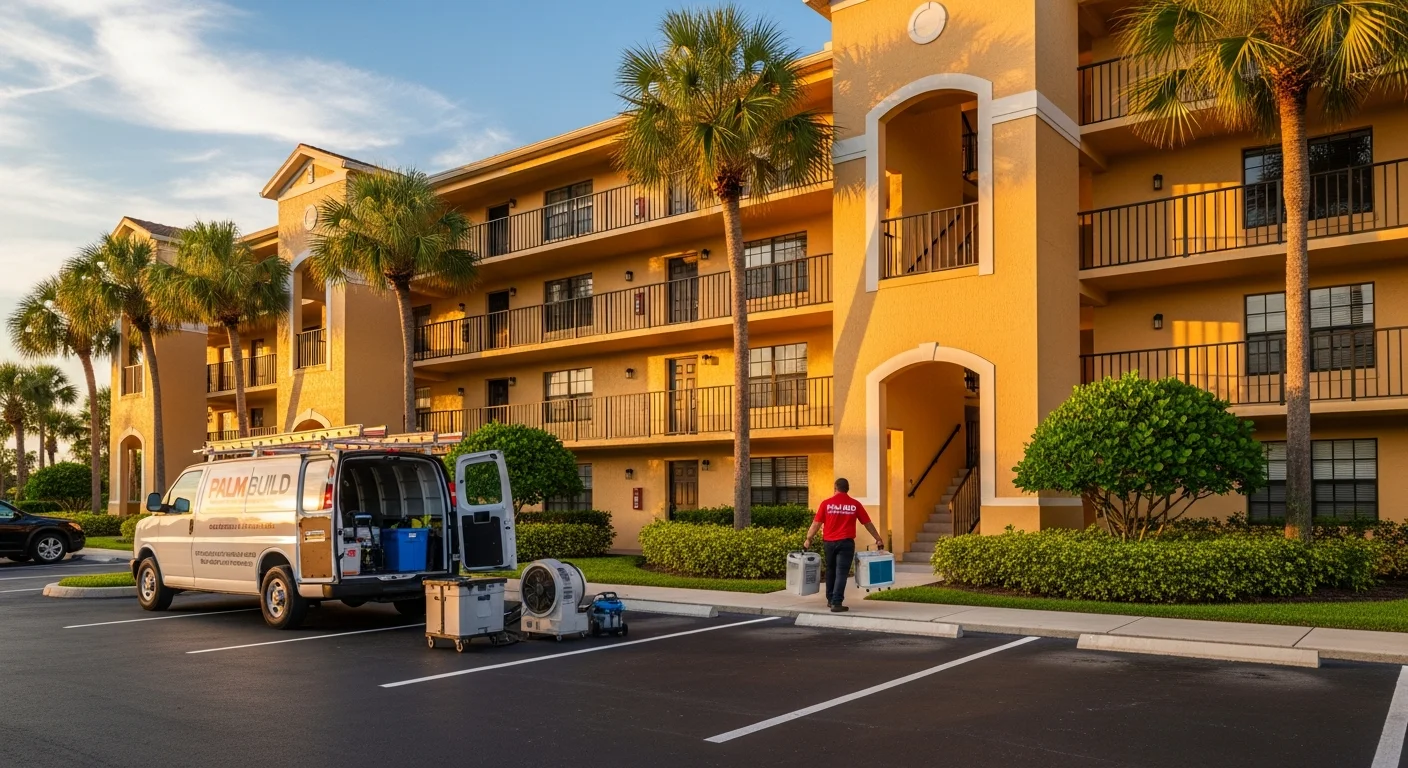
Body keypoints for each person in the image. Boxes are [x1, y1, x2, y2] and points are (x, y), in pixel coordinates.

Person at [802, 478, 884, 612]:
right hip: (846, 543)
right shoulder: (855, 504)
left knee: (830, 570)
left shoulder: (826, 504)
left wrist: (808, 539)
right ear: (847, 489)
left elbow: (816, 524)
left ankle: (830, 599)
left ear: (835, 488)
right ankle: (836, 602)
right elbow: (867, 523)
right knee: (841, 572)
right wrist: (878, 538)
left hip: (828, 543)